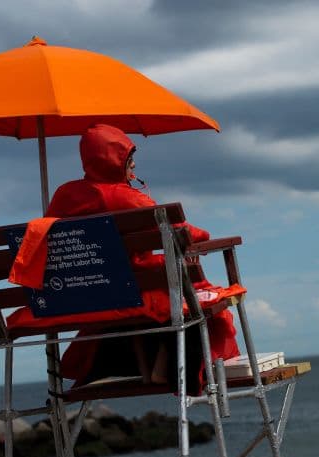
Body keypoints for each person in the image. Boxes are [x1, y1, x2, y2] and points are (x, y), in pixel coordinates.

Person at [30, 123, 241, 393]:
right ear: (116, 161)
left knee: (159, 288)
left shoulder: (64, 194)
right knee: (190, 292)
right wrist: (205, 233)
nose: (134, 166)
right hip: (126, 289)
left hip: (77, 297)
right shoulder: (123, 197)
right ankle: (169, 367)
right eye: (130, 160)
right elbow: (183, 231)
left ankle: (149, 366)